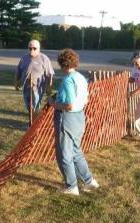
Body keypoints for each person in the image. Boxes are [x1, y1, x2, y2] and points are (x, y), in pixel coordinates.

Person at [48, 49, 99, 196]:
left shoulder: (68, 80)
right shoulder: (80, 77)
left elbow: (68, 104)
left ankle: (71, 186)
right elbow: (85, 99)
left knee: (64, 154)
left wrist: (53, 103)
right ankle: (89, 181)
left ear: (63, 64)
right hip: (79, 118)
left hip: (67, 118)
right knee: (76, 151)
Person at [15, 40, 54, 118]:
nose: (32, 50)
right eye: (30, 48)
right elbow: (18, 71)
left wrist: (49, 87)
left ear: (39, 49)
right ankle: (32, 114)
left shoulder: (44, 58)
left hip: (38, 87)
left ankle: (33, 119)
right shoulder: (24, 58)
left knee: (35, 103)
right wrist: (16, 82)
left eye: (34, 48)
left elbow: (49, 74)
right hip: (26, 86)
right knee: (28, 103)